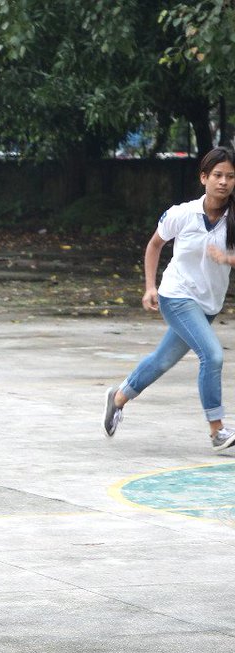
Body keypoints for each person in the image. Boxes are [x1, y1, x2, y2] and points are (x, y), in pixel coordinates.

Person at [104, 146, 235, 453]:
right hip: (176, 296)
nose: (223, 182)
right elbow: (154, 245)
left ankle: (118, 398)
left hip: (208, 304)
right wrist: (150, 287)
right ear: (203, 177)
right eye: (217, 175)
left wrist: (228, 258)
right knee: (212, 356)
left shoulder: (233, 219)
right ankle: (217, 430)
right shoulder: (182, 214)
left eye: (230, 177)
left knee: (162, 360)